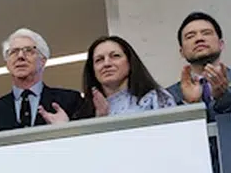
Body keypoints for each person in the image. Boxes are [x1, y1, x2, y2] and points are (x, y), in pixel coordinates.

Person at [167, 12, 231, 173]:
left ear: (221, 44)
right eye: (190, 36)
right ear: (181, 51)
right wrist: (191, 106)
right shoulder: (169, 95)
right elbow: (170, 144)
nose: (199, 39)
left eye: (206, 33)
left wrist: (225, 98)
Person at [41, 36, 175, 122]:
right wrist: (66, 128)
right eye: (99, 60)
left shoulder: (155, 98)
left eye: (115, 56)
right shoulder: (84, 111)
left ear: (130, 62)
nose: (107, 63)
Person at [0, 28, 83, 133]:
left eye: (28, 50)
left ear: (43, 60)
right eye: (14, 52)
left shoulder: (70, 101)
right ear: (7, 64)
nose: (20, 56)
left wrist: (67, 129)